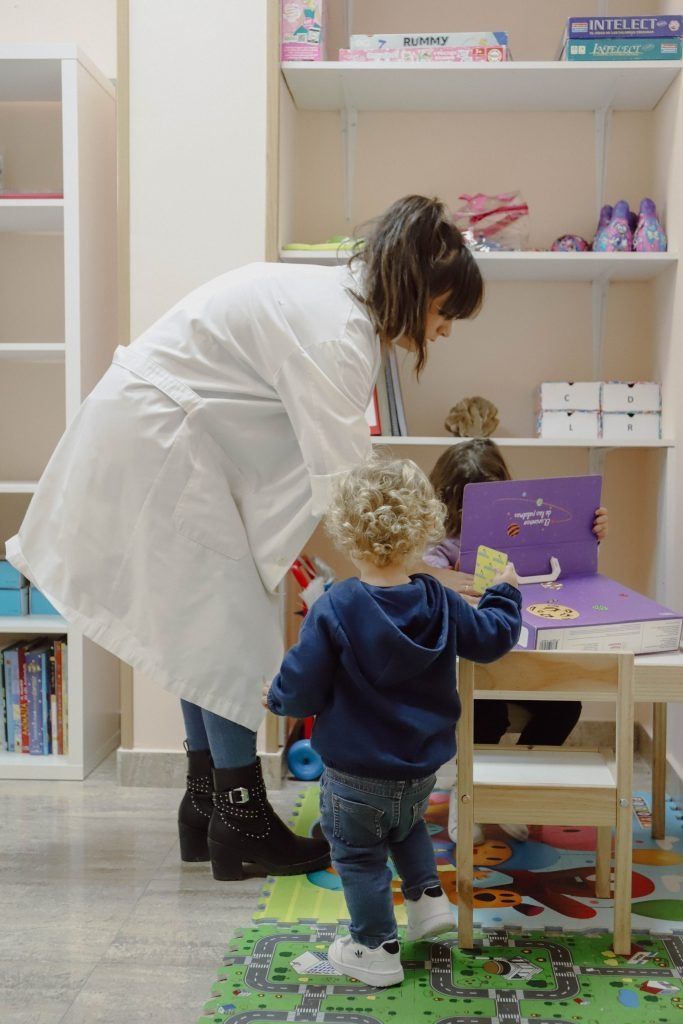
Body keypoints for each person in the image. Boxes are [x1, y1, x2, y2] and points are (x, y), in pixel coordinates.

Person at [4, 195, 484, 881]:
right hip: (159, 446)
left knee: (203, 635)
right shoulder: (336, 332)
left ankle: (208, 808)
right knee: (227, 639)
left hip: (160, 439)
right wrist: (419, 577)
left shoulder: (330, 307)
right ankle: (242, 821)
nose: (440, 332)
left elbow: (334, 479)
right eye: (443, 313)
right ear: (419, 290)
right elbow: (351, 488)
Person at [264, 458, 522, 987]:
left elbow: (302, 687)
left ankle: (374, 948)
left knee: (359, 857)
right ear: (423, 528)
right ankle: (429, 903)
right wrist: (506, 592)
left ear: (347, 534)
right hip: (420, 768)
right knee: (407, 828)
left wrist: (276, 696)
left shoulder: (335, 607)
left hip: (355, 774)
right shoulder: (441, 601)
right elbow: (494, 637)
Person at [424, 438, 609, 844]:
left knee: (565, 708)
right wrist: (474, 583)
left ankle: (506, 790)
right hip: (470, 669)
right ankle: (470, 792)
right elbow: (426, 579)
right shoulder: (438, 543)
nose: (466, 515)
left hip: (521, 658)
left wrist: (589, 531)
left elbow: (567, 566)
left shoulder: (520, 531)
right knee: (486, 715)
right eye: (459, 505)